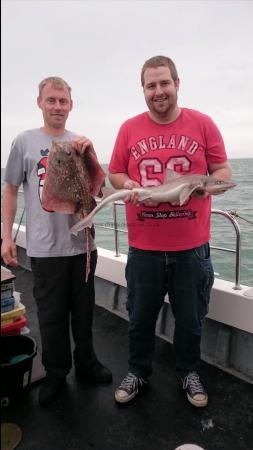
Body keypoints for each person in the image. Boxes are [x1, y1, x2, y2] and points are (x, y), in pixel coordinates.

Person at [108, 55, 232, 408]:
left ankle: (188, 371)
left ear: (177, 83)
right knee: (140, 317)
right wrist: (127, 182)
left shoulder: (203, 124)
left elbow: (221, 170)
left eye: (164, 83)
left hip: (191, 248)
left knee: (190, 321)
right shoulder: (129, 128)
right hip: (144, 246)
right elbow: (115, 173)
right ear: (143, 90)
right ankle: (138, 370)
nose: (158, 91)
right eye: (151, 85)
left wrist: (206, 187)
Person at [1, 76, 112, 405]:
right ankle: (56, 371)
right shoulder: (23, 141)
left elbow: (98, 190)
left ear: (71, 105)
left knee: (83, 311)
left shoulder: (80, 141)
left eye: (63, 101)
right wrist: (6, 236)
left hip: (82, 246)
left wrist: (90, 154)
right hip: (45, 247)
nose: (58, 107)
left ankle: (87, 363)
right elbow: (9, 189)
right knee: (50, 314)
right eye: (51, 100)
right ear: (40, 103)